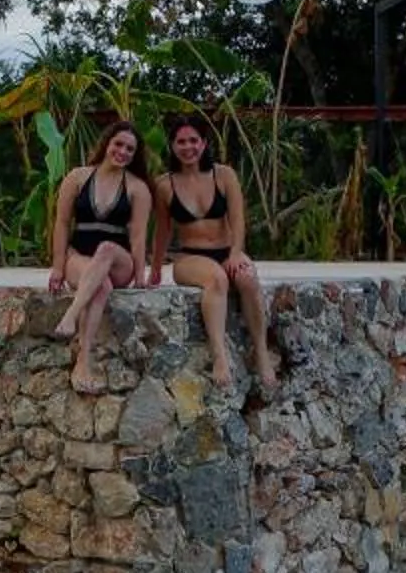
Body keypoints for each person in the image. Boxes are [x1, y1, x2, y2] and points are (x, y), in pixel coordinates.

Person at [148, 110, 277, 397]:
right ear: (172, 146)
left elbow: (238, 219)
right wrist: (155, 268)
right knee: (217, 279)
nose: (188, 147)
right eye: (181, 142)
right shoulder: (164, 184)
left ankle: (261, 352)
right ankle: (220, 356)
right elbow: (163, 230)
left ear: (204, 143)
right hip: (190, 257)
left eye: (193, 140)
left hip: (227, 251)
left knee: (247, 279)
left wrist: (236, 253)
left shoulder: (224, 175)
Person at [46, 119, 154, 393]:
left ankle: (71, 315)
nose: (123, 152)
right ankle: (83, 362)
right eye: (119, 144)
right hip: (80, 257)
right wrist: (58, 267)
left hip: (118, 261)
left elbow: (138, 235)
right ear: (107, 143)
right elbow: (61, 223)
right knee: (100, 286)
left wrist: (140, 275)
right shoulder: (77, 178)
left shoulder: (137, 188)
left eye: (130, 149)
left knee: (106, 248)